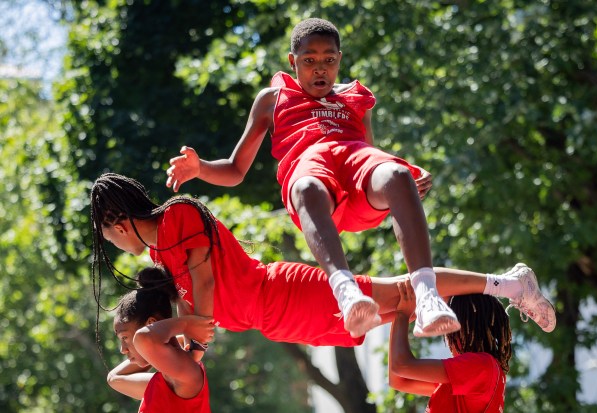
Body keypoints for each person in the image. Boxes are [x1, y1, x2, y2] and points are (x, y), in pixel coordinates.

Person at [165, 17, 456, 338]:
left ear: (340, 59)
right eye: (310, 61)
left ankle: (427, 294)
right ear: (293, 62)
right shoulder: (272, 99)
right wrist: (200, 168)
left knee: (397, 172)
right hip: (312, 176)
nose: (320, 69)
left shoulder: (356, 98)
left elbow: (367, 157)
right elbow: (236, 170)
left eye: (329, 60)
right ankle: (347, 293)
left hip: (352, 172)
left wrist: (400, 184)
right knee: (306, 184)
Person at [91, 173, 555, 349]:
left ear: (117, 221)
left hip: (284, 294)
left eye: (107, 234)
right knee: (402, 301)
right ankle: (510, 284)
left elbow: (207, 287)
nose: (114, 244)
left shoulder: (177, 216)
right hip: (274, 320)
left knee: (402, 293)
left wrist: (195, 342)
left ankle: (512, 285)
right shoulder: (158, 250)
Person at [389, 282, 512, 412]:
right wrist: (401, 318)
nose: (446, 334)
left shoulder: (480, 366)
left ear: (463, 328)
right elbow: (400, 380)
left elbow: (400, 366)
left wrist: (402, 314)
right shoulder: (480, 372)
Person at [107, 266, 214, 412]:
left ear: (151, 324)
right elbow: (114, 378)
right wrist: (188, 339)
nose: (123, 349)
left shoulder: (186, 374)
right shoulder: (163, 381)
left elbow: (144, 338)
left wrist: (187, 325)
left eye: (125, 337)